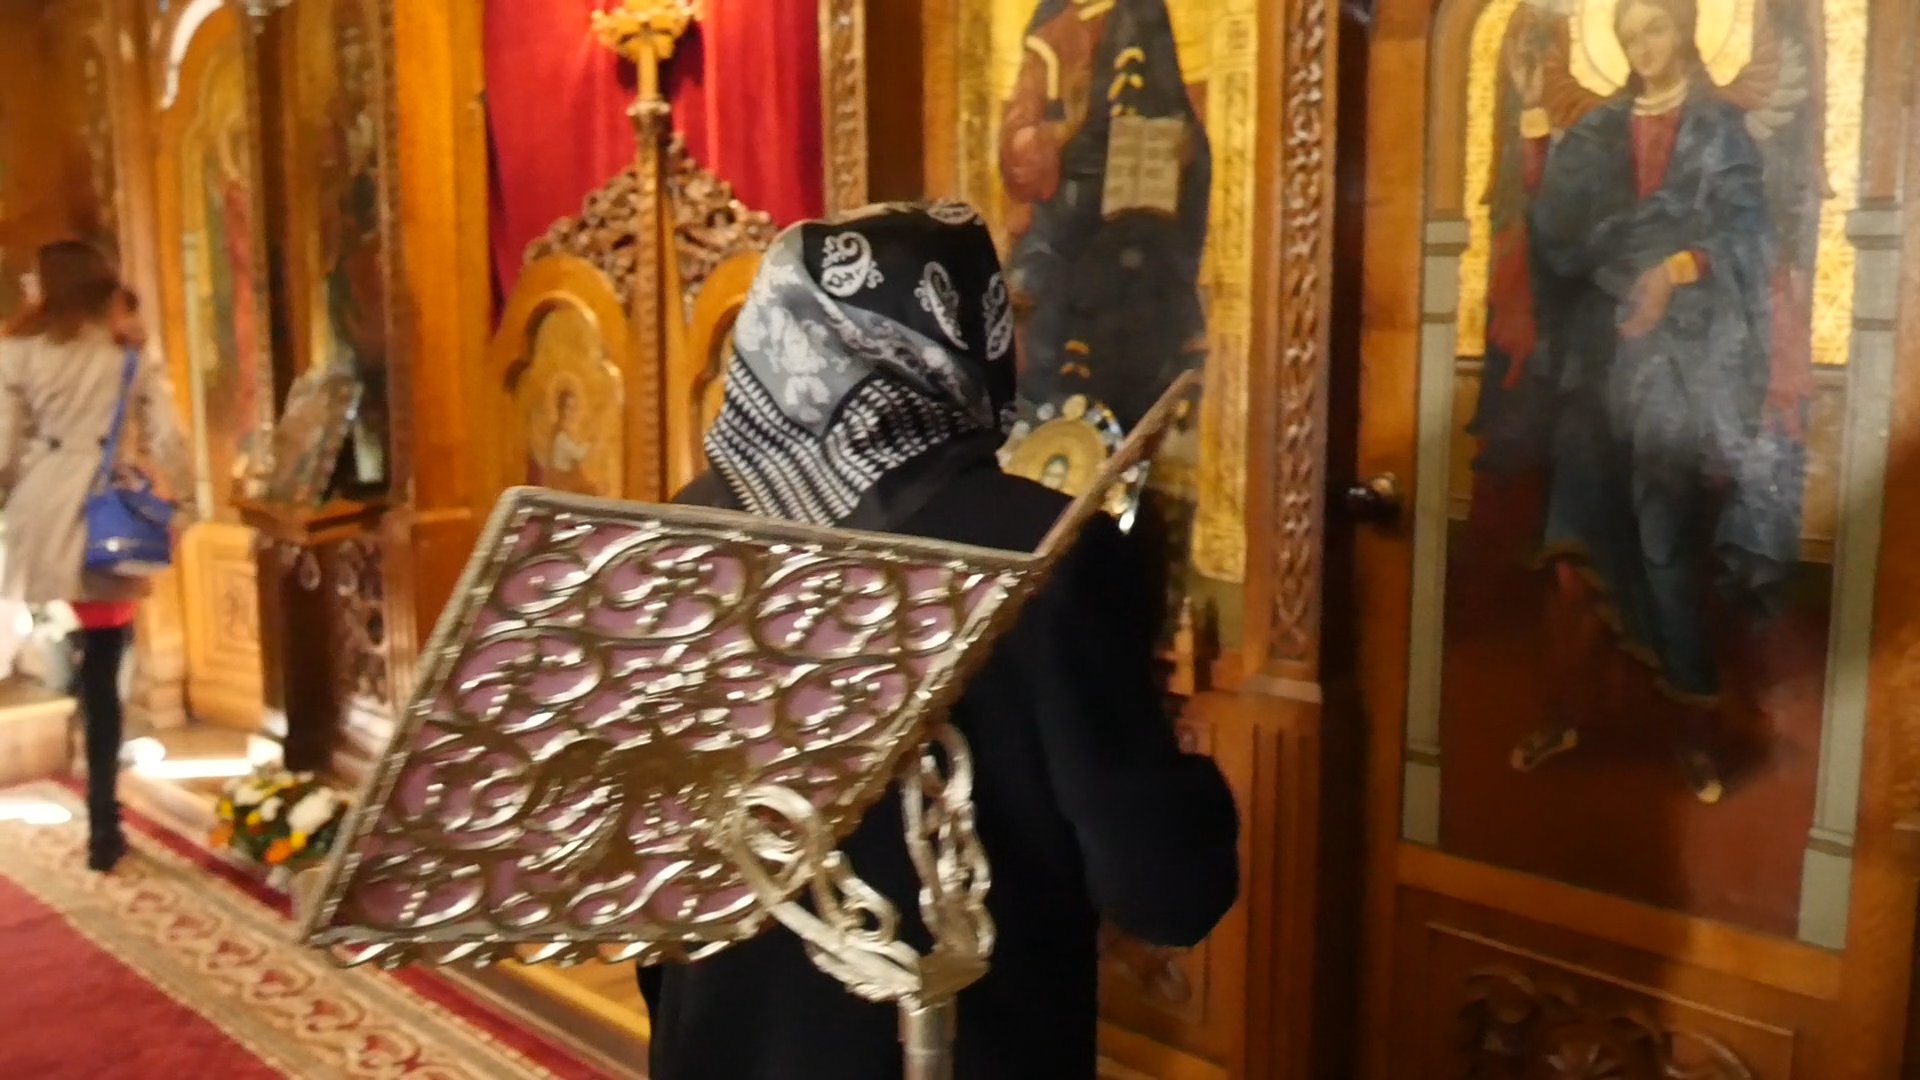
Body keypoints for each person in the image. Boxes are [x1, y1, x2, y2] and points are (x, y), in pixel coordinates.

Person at [639, 203, 1240, 1079]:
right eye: (1006, 318)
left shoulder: (683, 527)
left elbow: (650, 863)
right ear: (953, 340)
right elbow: (1161, 887)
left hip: (722, 1044)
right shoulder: (1046, 549)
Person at [1496, 0, 1796, 803]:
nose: (1643, 48)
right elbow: (1556, 230)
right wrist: (1534, 110)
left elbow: (1749, 235)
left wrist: (1675, 270)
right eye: (1629, 37)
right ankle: (1569, 712)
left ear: (1685, 30)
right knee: (1571, 546)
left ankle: (1692, 728)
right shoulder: (1600, 130)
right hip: (1600, 362)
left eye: (1655, 29)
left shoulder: (1718, 131)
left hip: (1680, 363)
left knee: (1662, 541)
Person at [0, 243, 193, 871]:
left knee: (77, 645)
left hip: (45, 514)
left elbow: (3, 447)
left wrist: (12, 500)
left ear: (49, 285)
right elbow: (169, 436)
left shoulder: (17, 352)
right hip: (111, 518)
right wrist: (185, 505)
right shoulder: (129, 351)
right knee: (107, 662)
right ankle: (103, 825)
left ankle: (91, 755)